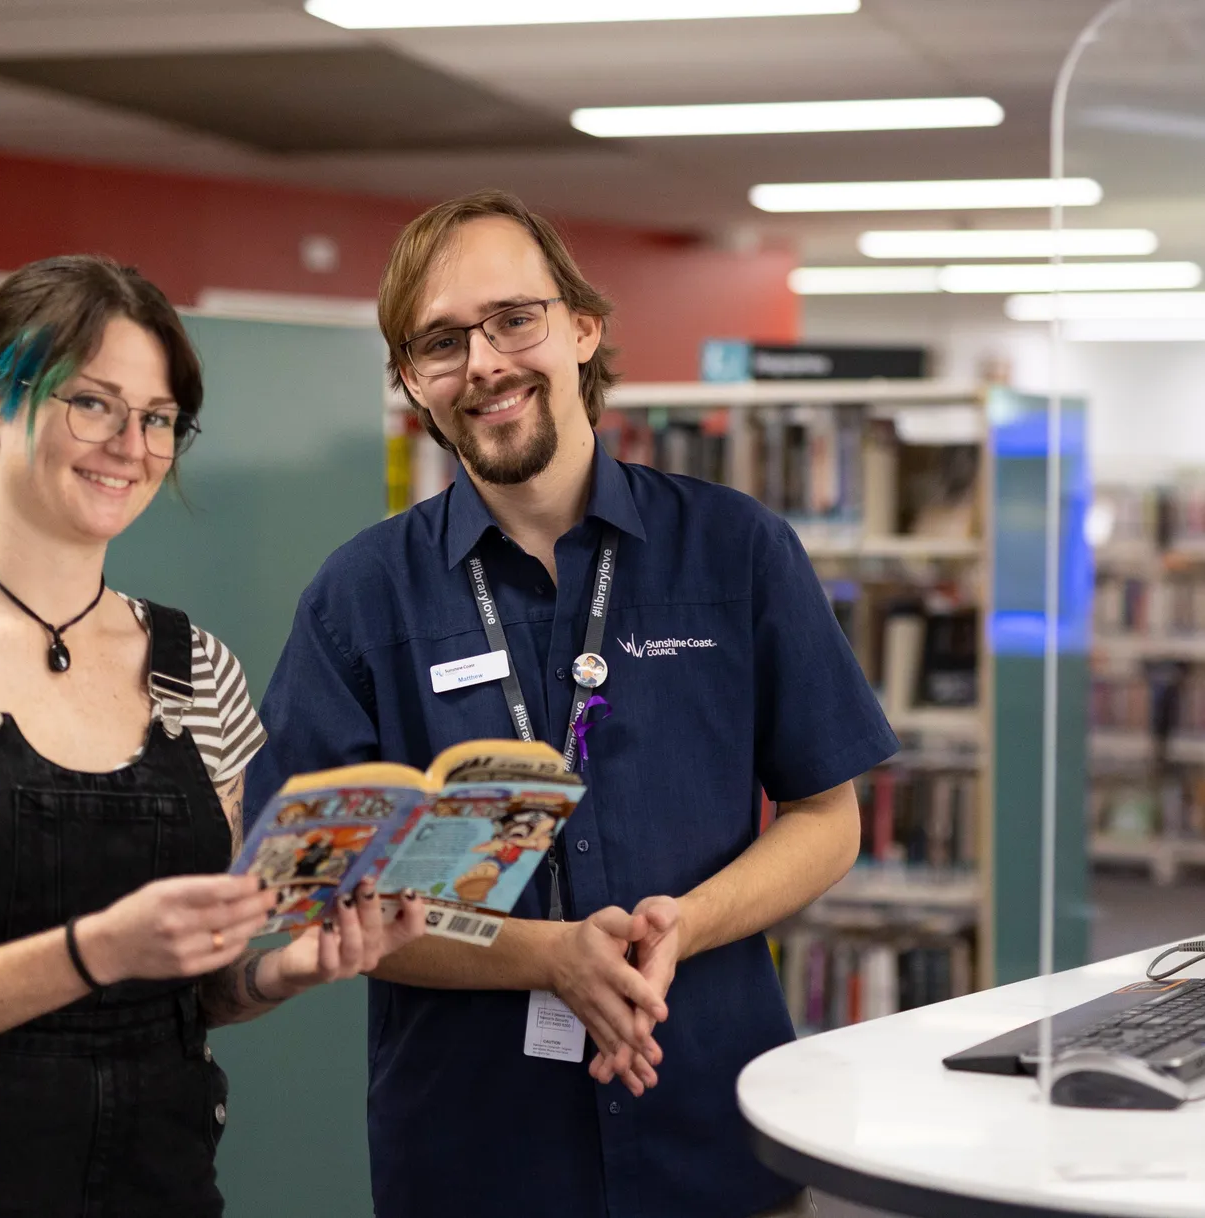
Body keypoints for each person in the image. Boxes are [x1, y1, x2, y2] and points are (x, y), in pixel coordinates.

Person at [246, 190, 899, 1218]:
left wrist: (683, 925)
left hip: (714, 1126)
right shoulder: (361, 595)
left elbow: (827, 817)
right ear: (411, 381)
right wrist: (545, 958)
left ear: (582, 329)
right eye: (440, 342)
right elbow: (318, 887)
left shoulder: (735, 551)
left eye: (514, 319)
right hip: (473, 1153)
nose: (483, 363)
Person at [0, 255, 426, 1217]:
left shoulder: (197, 671)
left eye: (158, 418)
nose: (130, 446)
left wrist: (282, 973)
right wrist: (96, 950)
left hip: (156, 1186)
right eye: (92, 404)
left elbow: (196, 992)